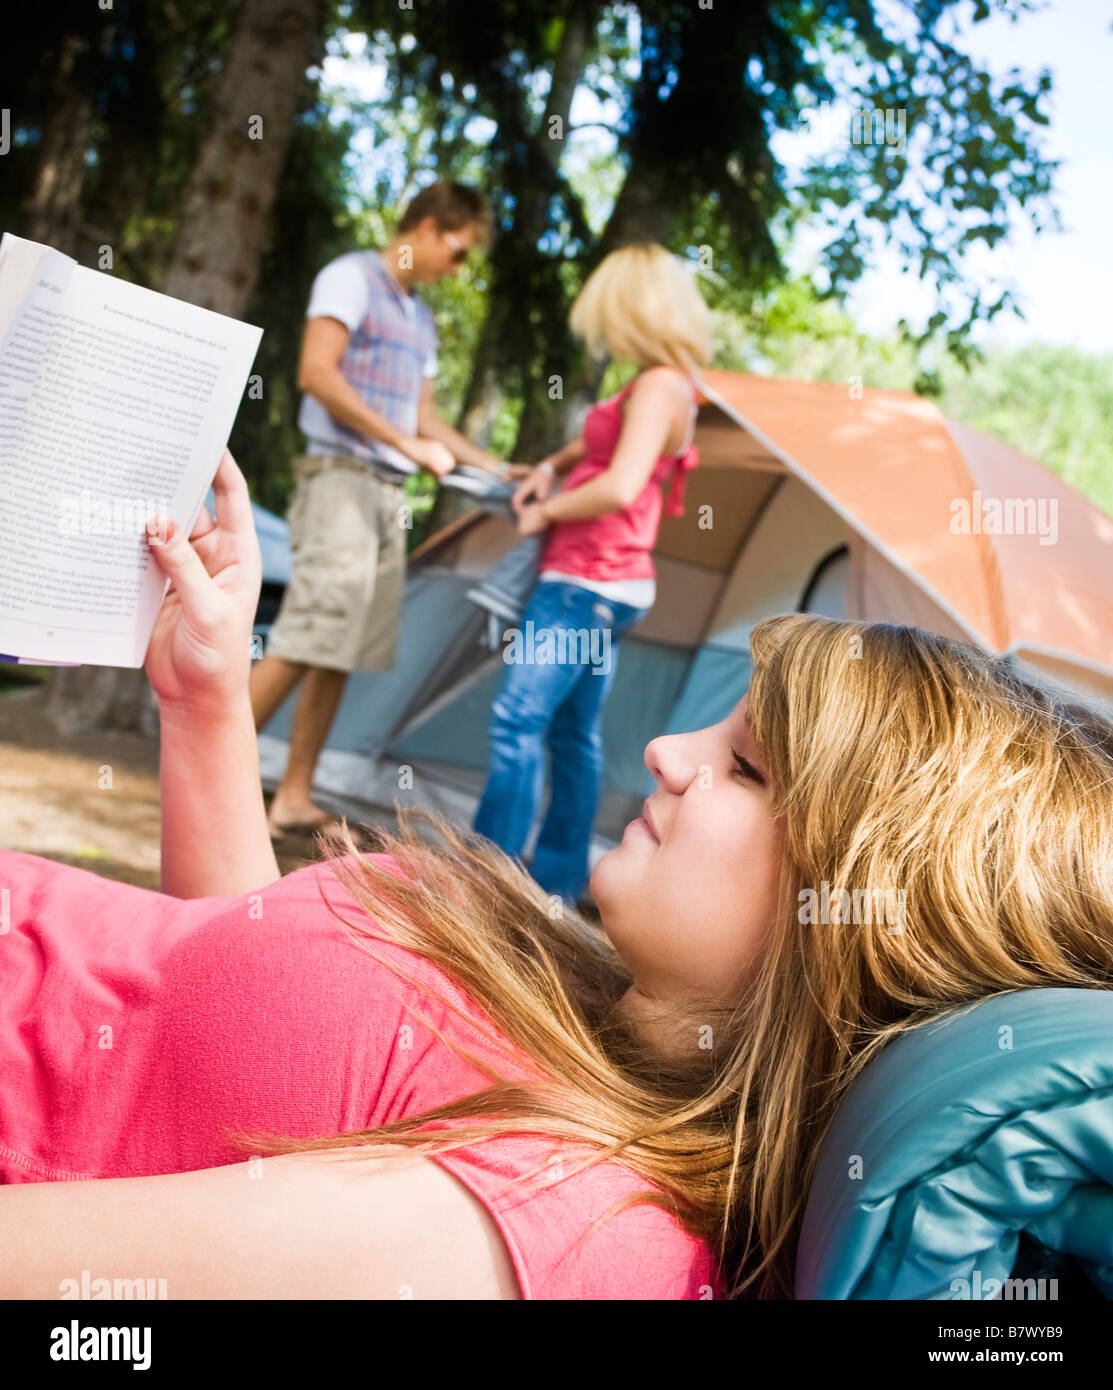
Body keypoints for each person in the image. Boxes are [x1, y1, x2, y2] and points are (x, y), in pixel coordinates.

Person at [2, 452, 1112, 1300]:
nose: (667, 758)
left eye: (745, 767)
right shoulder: (584, 1014)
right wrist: (206, 701)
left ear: (871, 916)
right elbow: (210, 1029)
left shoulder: (573, 1224)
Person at [250, 181, 523, 838]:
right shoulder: (350, 279)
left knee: (341, 648)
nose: (456, 270)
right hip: (339, 478)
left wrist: (494, 466)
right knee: (309, 631)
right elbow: (317, 372)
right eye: (456, 252)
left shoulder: (420, 318)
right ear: (426, 227)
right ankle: (202, 764)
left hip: (387, 492)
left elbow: (425, 418)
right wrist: (402, 442)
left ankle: (292, 794)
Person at [473, 243, 710, 905]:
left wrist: (544, 510)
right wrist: (550, 464)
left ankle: (483, 884)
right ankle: (556, 887)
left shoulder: (659, 384)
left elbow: (620, 484)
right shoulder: (663, 383)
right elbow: (599, 443)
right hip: (609, 584)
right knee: (571, 732)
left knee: (516, 720)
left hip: (585, 579)